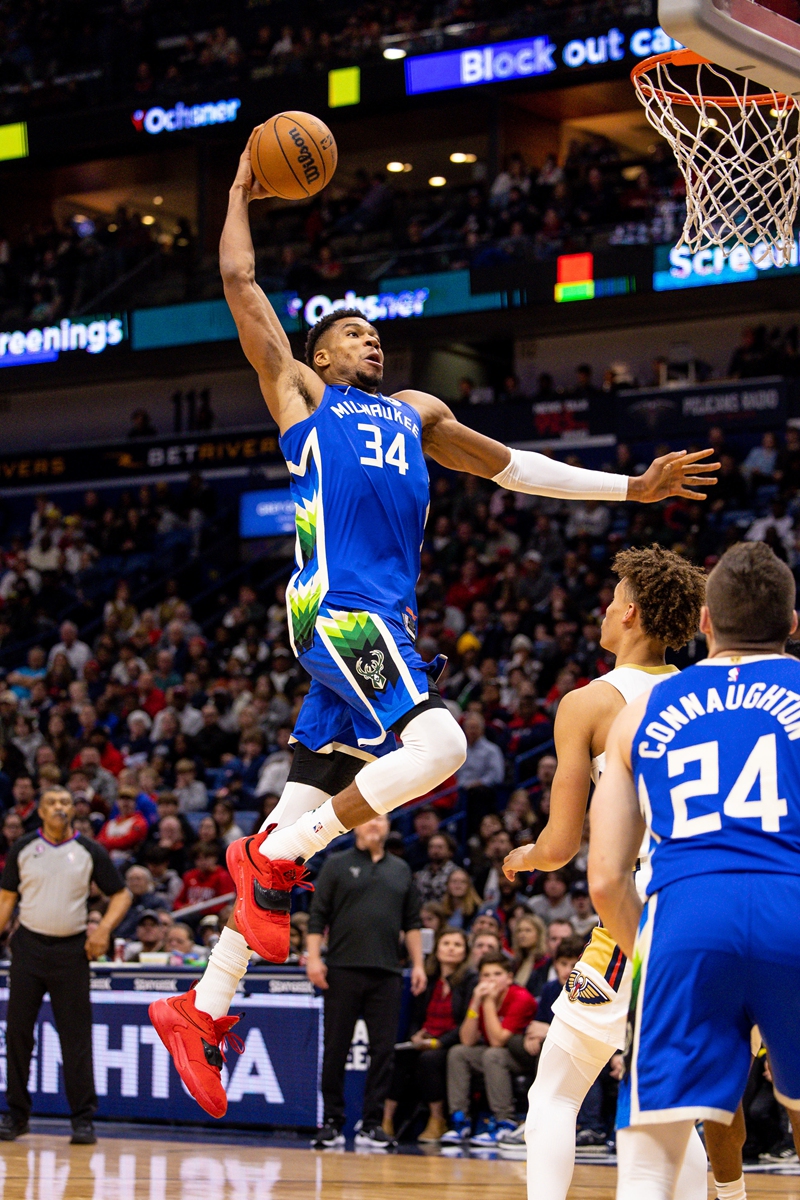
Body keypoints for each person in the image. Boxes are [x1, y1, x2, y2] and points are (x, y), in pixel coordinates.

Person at [149, 128, 719, 1117]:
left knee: (294, 815)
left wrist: (631, 489)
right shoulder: (302, 396)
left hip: (377, 630)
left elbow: (514, 469)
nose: (369, 338)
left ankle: (202, 1007)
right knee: (442, 744)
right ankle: (271, 862)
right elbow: (241, 283)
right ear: (321, 353)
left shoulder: (413, 410)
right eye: (351, 331)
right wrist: (239, 187)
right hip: (336, 611)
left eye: (375, 331)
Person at [589, 542, 800, 1200]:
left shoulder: (640, 712)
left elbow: (605, 878)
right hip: (792, 910)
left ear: (706, 622)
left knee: (651, 1157)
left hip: (685, 920)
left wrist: (652, 956)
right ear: (792, 626)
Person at [502, 545, 712, 1194]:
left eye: (611, 597)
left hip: (642, 904)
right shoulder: (705, 694)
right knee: (671, 1108)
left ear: (630, 613)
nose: (602, 610)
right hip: (714, 903)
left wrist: (524, 857)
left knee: (554, 1095)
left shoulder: (590, 703)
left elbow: (561, 845)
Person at [0, 788, 130, 1143]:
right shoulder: (24, 848)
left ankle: (83, 1119)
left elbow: (121, 894)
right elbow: (7, 898)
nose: (59, 808)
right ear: (40, 812)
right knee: (17, 1035)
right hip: (28, 948)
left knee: (75, 1037)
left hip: (72, 952)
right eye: (52, 803)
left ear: (72, 810)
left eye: (65, 803)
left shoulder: (89, 850)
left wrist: (102, 929)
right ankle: (16, 1116)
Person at [305, 815, 425, 1150]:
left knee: (383, 1051)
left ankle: (371, 1124)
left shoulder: (401, 869)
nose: (374, 824)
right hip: (342, 969)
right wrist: (314, 959)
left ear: (388, 826)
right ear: (356, 824)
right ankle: (332, 1121)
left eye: (381, 818)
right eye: (369, 818)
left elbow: (412, 922)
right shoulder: (337, 864)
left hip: (387, 972)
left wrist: (418, 964)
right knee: (336, 1048)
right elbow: (318, 916)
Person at [383, 927, 476, 1143]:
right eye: (446, 943)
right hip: (427, 1037)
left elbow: (466, 1022)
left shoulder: (470, 981)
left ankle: (437, 1119)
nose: (451, 949)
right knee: (400, 1055)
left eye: (457, 945)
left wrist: (439, 1042)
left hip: (451, 1042)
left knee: (429, 1060)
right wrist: (416, 1036)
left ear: (465, 952)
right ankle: (386, 1119)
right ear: (437, 949)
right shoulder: (428, 978)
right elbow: (416, 1016)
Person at [442, 950, 538, 1145]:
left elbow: (498, 1041)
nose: (491, 980)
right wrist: (476, 1002)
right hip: (497, 1053)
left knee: (493, 1054)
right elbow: (467, 1040)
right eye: (486, 975)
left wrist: (487, 1003)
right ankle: (460, 1121)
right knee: (459, 1053)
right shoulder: (481, 996)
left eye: (497, 974)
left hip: (524, 1056)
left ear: (509, 978)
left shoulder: (521, 997)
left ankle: (505, 1122)